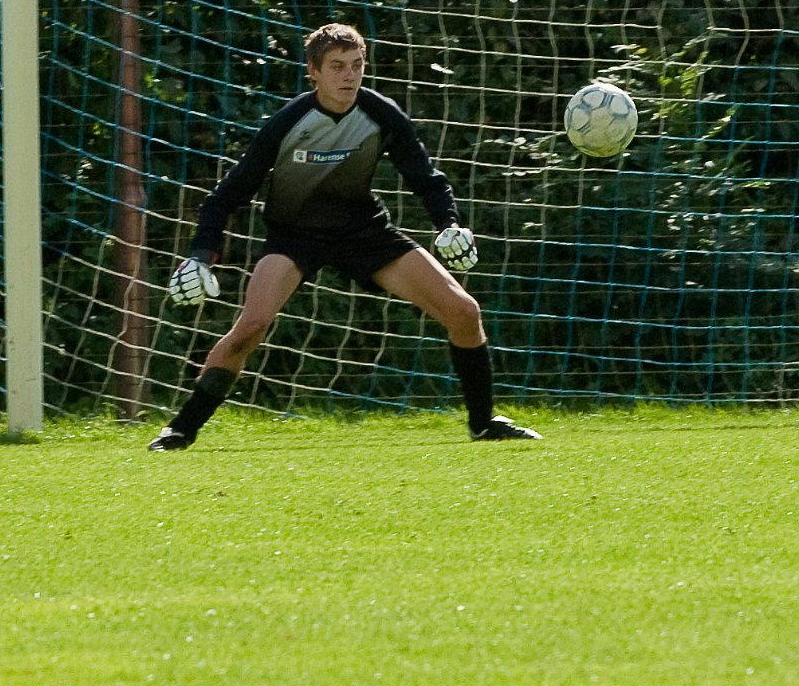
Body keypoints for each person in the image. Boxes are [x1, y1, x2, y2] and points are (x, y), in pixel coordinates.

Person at [153, 22, 539, 450]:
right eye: (337, 66)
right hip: (294, 237)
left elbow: (426, 179)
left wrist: (449, 224)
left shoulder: (380, 113)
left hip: (364, 233)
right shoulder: (288, 122)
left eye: (356, 65)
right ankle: (180, 430)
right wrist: (200, 255)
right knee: (252, 326)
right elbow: (227, 195)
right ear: (313, 72)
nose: (349, 76)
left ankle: (483, 423)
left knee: (464, 311)